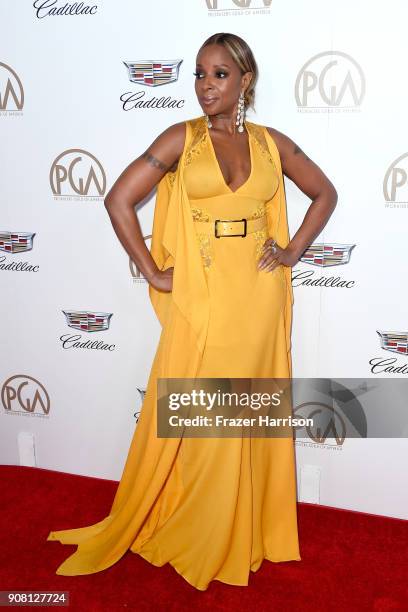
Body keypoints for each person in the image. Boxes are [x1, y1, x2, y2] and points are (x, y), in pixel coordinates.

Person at [47, 32, 337, 591]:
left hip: (258, 290)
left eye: (220, 74)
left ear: (245, 81)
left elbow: (323, 193)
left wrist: (293, 251)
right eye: (200, 74)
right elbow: (118, 199)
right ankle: (200, 527)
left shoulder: (272, 143)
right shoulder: (180, 138)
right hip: (204, 293)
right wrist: (154, 272)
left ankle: (242, 528)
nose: (206, 85)